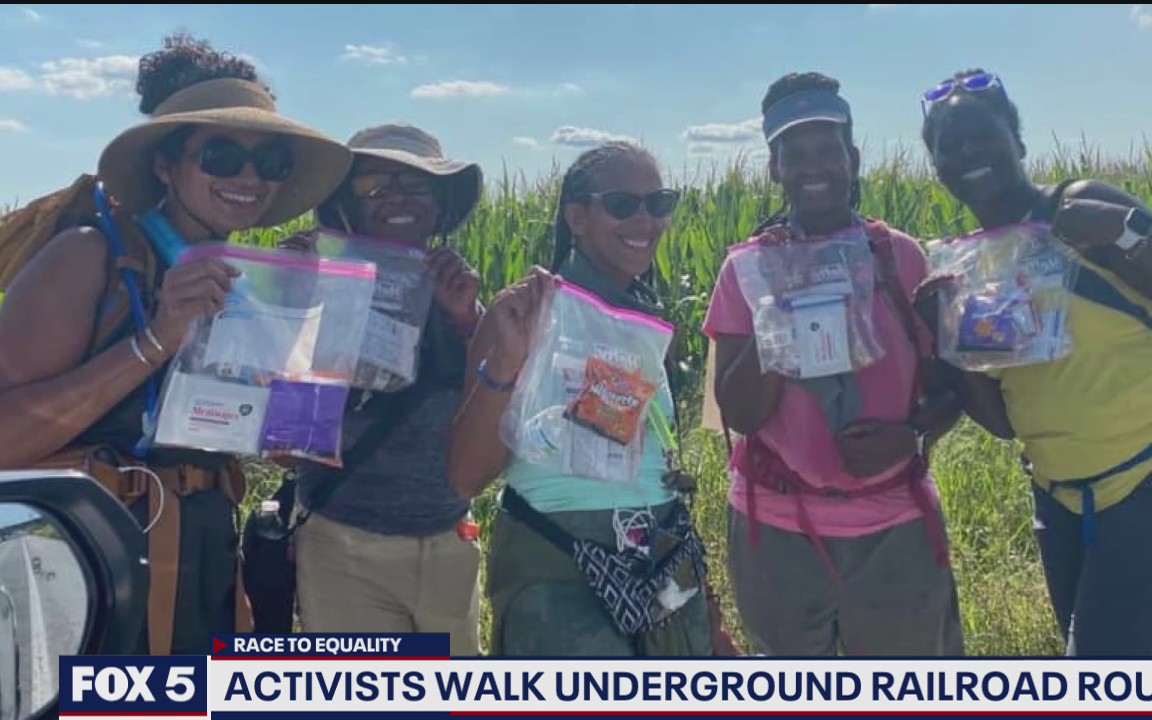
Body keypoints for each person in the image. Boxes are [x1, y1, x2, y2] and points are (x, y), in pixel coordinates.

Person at [0, 33, 352, 655]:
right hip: (89, 571)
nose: (249, 177)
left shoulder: (247, 284)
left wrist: (304, 351)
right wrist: (157, 340)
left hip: (203, 557)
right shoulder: (90, 257)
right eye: (220, 155)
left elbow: (295, 452)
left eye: (270, 164)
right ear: (165, 164)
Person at [914, 67, 1152, 656]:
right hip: (1065, 500)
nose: (969, 151)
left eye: (982, 133)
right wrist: (944, 328)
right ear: (938, 167)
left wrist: (1126, 231)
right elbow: (1003, 421)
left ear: (1016, 138)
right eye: (951, 145)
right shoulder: (975, 270)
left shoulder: (1078, 209)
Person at [702, 71, 966, 657]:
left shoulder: (899, 257)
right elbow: (740, 414)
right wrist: (783, 315)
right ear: (774, 168)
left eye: (827, 150)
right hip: (777, 527)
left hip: (893, 526)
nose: (812, 167)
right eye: (793, 154)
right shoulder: (747, 271)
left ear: (852, 157)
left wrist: (913, 435)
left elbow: (950, 391)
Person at [449, 141, 733, 656]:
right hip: (560, 580)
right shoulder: (527, 315)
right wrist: (507, 366)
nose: (645, 219)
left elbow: (655, 474)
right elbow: (466, 476)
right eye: (623, 204)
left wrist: (710, 618)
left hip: (661, 578)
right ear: (576, 217)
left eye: (659, 203)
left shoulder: (642, 324)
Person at [285, 123, 486, 653]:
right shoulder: (315, 284)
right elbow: (286, 447)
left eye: (417, 185)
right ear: (345, 203)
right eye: (375, 185)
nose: (397, 198)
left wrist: (466, 319)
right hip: (344, 544)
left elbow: (496, 419)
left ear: (440, 202)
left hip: (449, 541)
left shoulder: (459, 294)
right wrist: (300, 301)